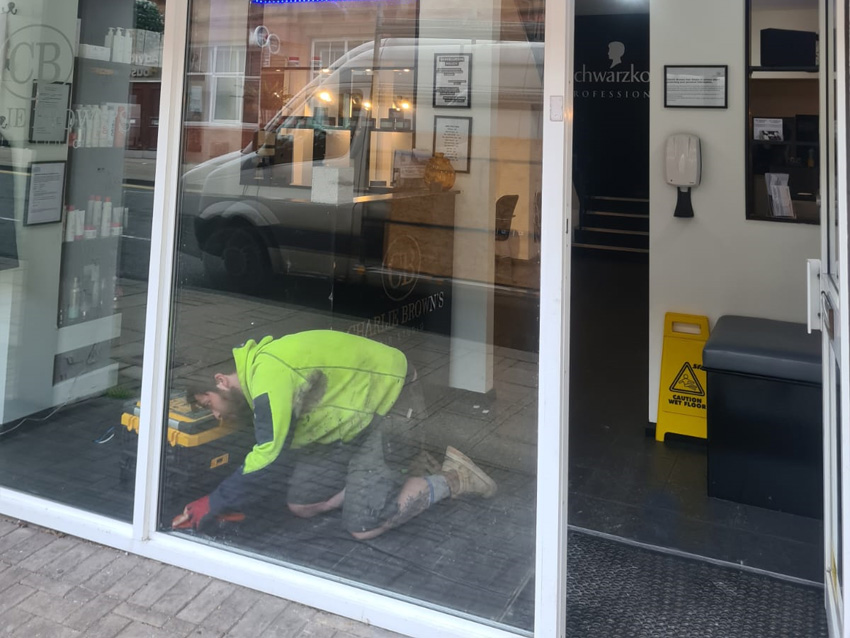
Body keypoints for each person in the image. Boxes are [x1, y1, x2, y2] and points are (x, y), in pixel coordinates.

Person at [172, 330, 497, 539]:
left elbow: (268, 455)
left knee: (364, 526)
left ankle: (454, 478)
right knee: (302, 504)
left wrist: (213, 502)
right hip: (352, 421)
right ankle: (395, 471)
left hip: (392, 401)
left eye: (210, 405)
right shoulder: (261, 380)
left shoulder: (269, 378)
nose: (217, 416)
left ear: (220, 381)